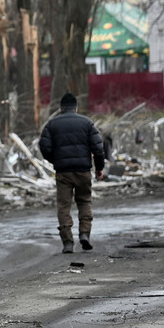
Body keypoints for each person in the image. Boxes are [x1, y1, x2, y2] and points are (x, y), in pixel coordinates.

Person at [39, 92, 107, 254]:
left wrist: (55, 161)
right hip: (83, 170)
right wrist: (99, 168)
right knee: (84, 201)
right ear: (76, 108)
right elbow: (98, 149)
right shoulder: (87, 123)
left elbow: (44, 147)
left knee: (64, 205)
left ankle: (68, 242)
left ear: (61, 108)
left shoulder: (52, 124)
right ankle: (84, 233)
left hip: (63, 172)